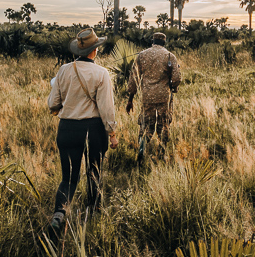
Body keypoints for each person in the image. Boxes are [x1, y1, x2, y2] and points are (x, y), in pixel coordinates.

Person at [47, 28, 118, 230]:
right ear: (94, 51)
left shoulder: (63, 70)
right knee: (93, 174)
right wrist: (112, 134)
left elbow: (53, 104)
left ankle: (58, 215)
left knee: (68, 178)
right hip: (93, 129)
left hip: (67, 128)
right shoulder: (101, 73)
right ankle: (92, 217)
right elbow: (106, 108)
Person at [126, 32, 181, 162]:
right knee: (164, 124)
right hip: (164, 97)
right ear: (164, 42)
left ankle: (141, 150)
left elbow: (134, 79)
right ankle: (161, 152)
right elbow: (177, 78)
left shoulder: (142, 55)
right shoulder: (169, 56)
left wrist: (130, 99)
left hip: (147, 96)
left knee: (145, 124)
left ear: (152, 41)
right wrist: (173, 87)